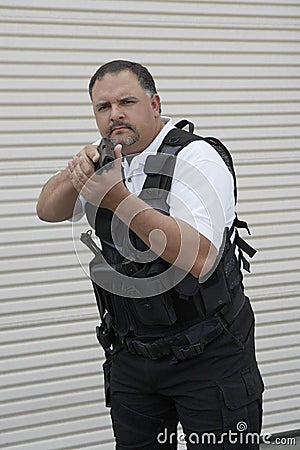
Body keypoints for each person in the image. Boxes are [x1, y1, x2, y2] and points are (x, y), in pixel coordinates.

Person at [36, 60, 264, 449]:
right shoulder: (107, 158)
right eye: (102, 108)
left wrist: (118, 200)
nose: (115, 115)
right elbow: (48, 209)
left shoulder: (197, 159)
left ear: (155, 104)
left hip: (208, 354)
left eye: (127, 101)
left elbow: (201, 258)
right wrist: (75, 171)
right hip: (132, 355)